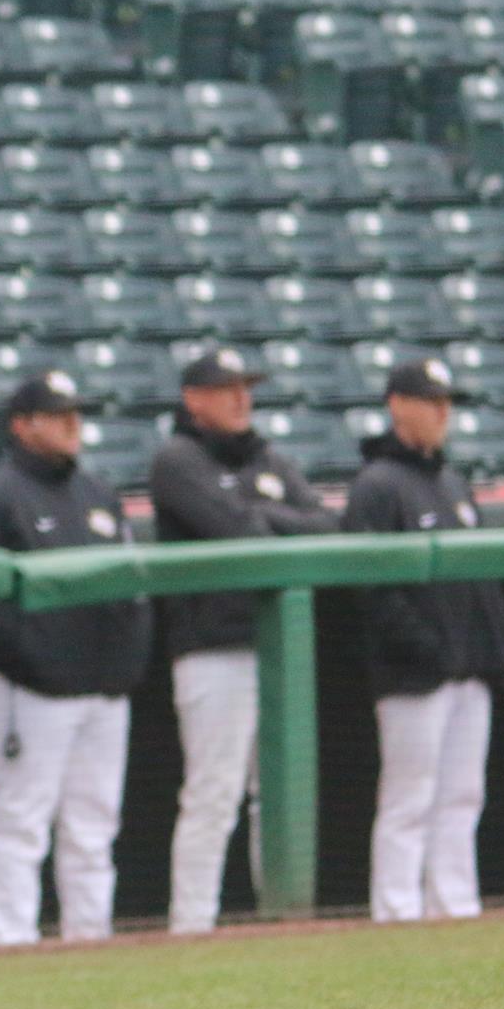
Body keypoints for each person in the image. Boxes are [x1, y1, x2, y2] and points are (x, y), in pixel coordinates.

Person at [0, 372, 151, 946]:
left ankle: (89, 937)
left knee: (94, 823)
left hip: (103, 689)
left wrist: (124, 668)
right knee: (22, 819)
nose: (72, 424)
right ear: (21, 425)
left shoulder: (97, 492)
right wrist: (33, 666)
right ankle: (13, 941)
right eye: (56, 414)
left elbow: (133, 584)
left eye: (76, 414)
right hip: (29, 690)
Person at [150, 347, 339, 936]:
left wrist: (264, 511)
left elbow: (330, 528)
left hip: (274, 645)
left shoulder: (269, 458)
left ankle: (279, 915)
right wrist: (271, 513)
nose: (241, 398)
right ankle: (192, 924)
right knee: (214, 791)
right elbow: (237, 530)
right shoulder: (177, 460)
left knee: (277, 793)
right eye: (227, 388)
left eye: (245, 387)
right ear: (194, 398)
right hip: (211, 648)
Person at [344, 358, 504, 925]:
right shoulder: (376, 485)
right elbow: (372, 589)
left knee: (463, 796)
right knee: (408, 798)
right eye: (431, 400)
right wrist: (429, 650)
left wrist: (489, 653)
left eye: (447, 402)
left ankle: (455, 907)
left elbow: (483, 578)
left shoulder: (452, 482)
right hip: (414, 673)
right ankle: (396, 912)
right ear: (397, 405)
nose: (444, 413)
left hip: (469, 670)